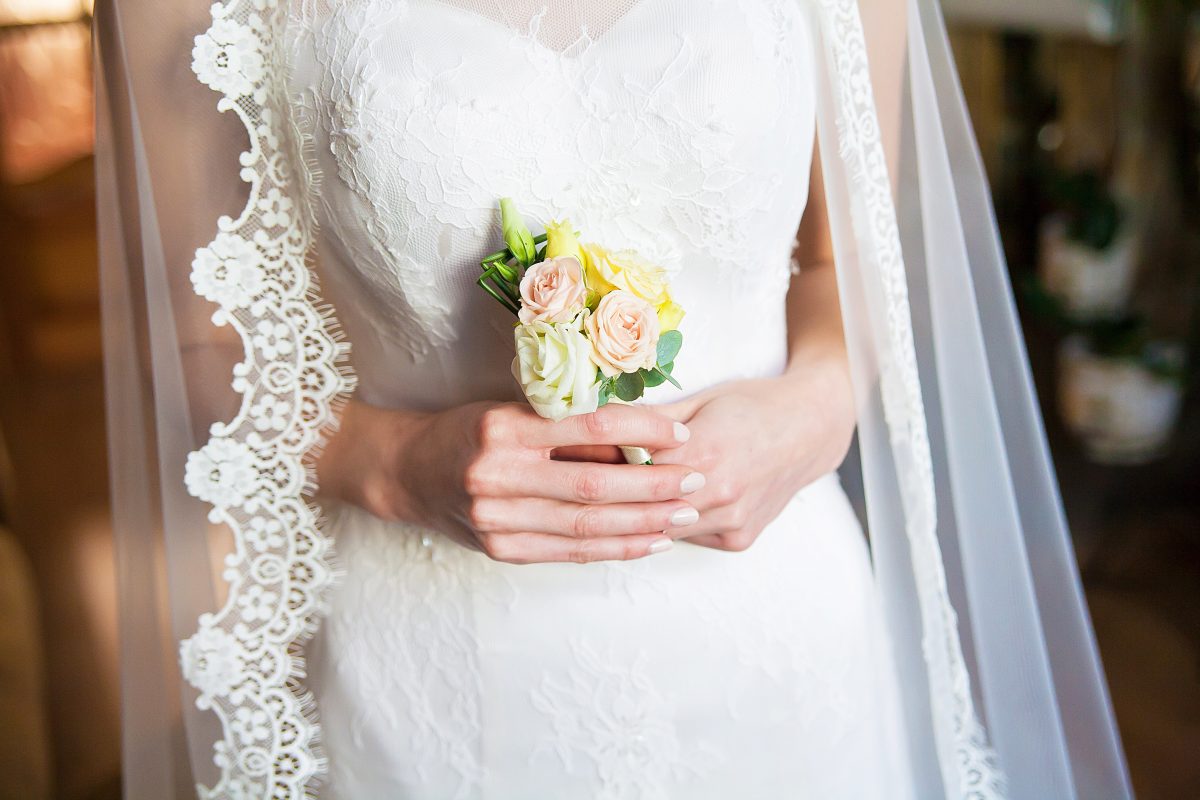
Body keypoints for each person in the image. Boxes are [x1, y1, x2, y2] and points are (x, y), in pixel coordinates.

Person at [96, 0, 1132, 797]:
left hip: (774, 633)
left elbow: (846, 253)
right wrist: (393, 461)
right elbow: (194, 336)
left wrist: (815, 407)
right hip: (434, 674)